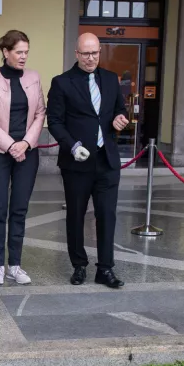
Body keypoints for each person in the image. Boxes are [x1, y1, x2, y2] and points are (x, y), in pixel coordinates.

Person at [46, 33, 129, 289]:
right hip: (77, 164)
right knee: (76, 216)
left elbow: (120, 109)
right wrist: (72, 146)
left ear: (100, 51)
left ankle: (105, 268)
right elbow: (55, 122)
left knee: (107, 215)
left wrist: (120, 119)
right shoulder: (61, 83)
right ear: (76, 54)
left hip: (107, 161)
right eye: (85, 54)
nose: (90, 58)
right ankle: (79, 265)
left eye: (94, 53)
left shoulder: (110, 79)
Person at [0, 30, 46, 287]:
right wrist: (10, 146)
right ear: (5, 52)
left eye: (26, 52)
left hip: (28, 152)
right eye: (19, 52)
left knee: (19, 208)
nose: (23, 57)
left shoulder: (34, 78)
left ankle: (15, 265)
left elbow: (40, 113)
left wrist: (26, 143)